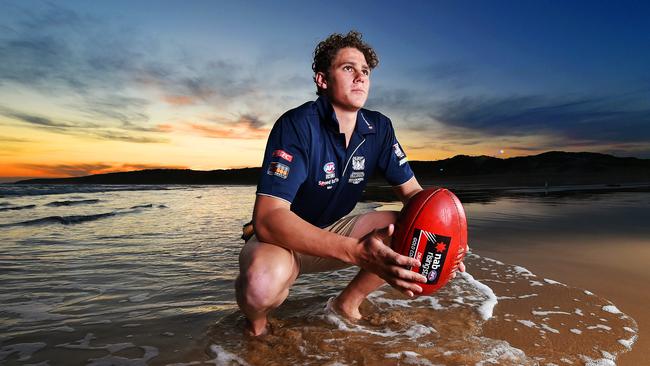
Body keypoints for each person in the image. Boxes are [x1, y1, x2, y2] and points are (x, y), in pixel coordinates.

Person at [235, 31, 466, 336]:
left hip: (337, 228)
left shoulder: (379, 128)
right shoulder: (296, 125)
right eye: (348, 68)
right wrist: (355, 251)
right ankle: (257, 330)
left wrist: (449, 237)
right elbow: (268, 219)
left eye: (365, 72)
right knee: (261, 285)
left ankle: (347, 303)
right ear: (322, 80)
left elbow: (414, 195)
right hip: (281, 239)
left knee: (411, 229)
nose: (360, 77)